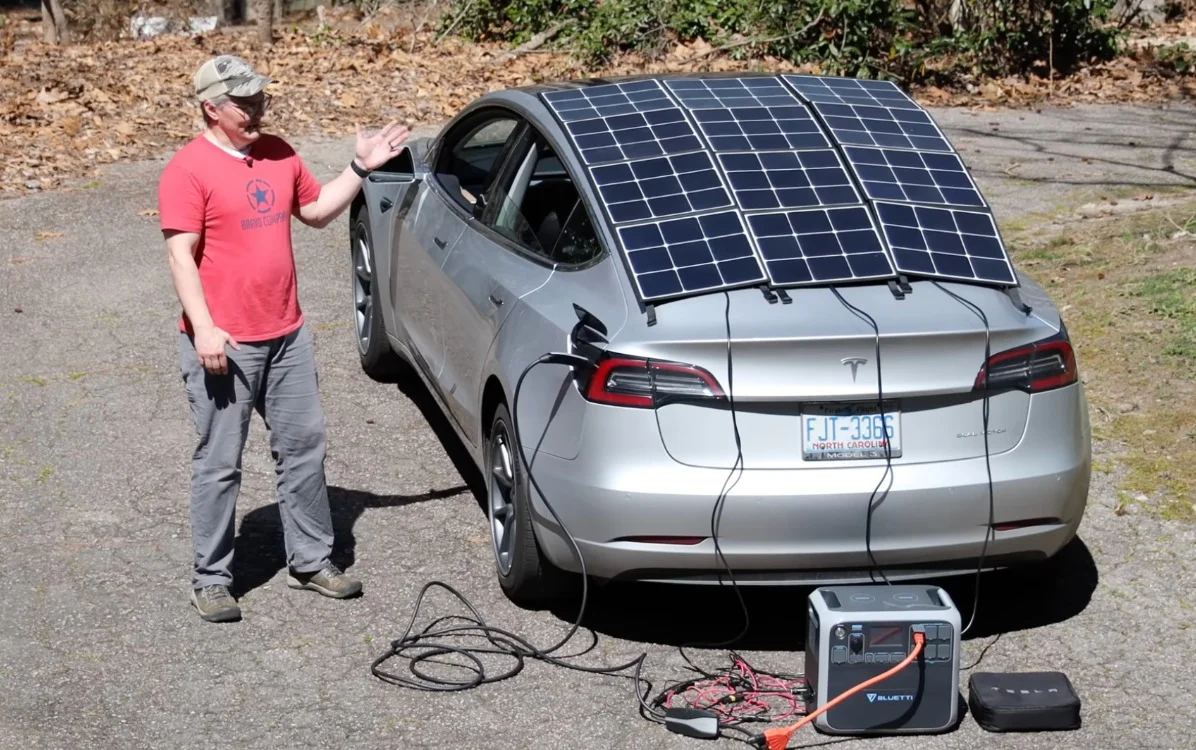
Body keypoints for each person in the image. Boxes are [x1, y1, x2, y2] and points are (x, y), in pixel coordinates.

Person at [157, 54, 409, 623]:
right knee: (220, 462)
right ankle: (211, 579)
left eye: (259, 99)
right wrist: (204, 328)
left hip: (286, 335)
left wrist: (361, 167)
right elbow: (180, 256)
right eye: (243, 103)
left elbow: (315, 211)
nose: (256, 110)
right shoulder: (187, 170)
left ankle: (312, 561)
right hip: (224, 344)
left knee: (303, 448)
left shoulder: (278, 152)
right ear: (211, 108)